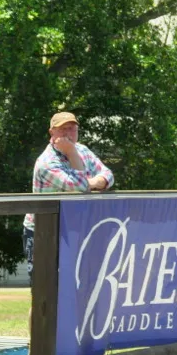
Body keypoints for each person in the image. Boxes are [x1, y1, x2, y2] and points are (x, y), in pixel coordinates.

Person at [22, 112, 114, 279]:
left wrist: (93, 183)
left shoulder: (83, 150)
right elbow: (78, 188)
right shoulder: (47, 162)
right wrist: (72, 154)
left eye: (72, 129)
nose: (69, 133)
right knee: (46, 291)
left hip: (74, 230)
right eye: (63, 129)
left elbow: (108, 175)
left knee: (77, 286)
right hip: (44, 231)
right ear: (52, 132)